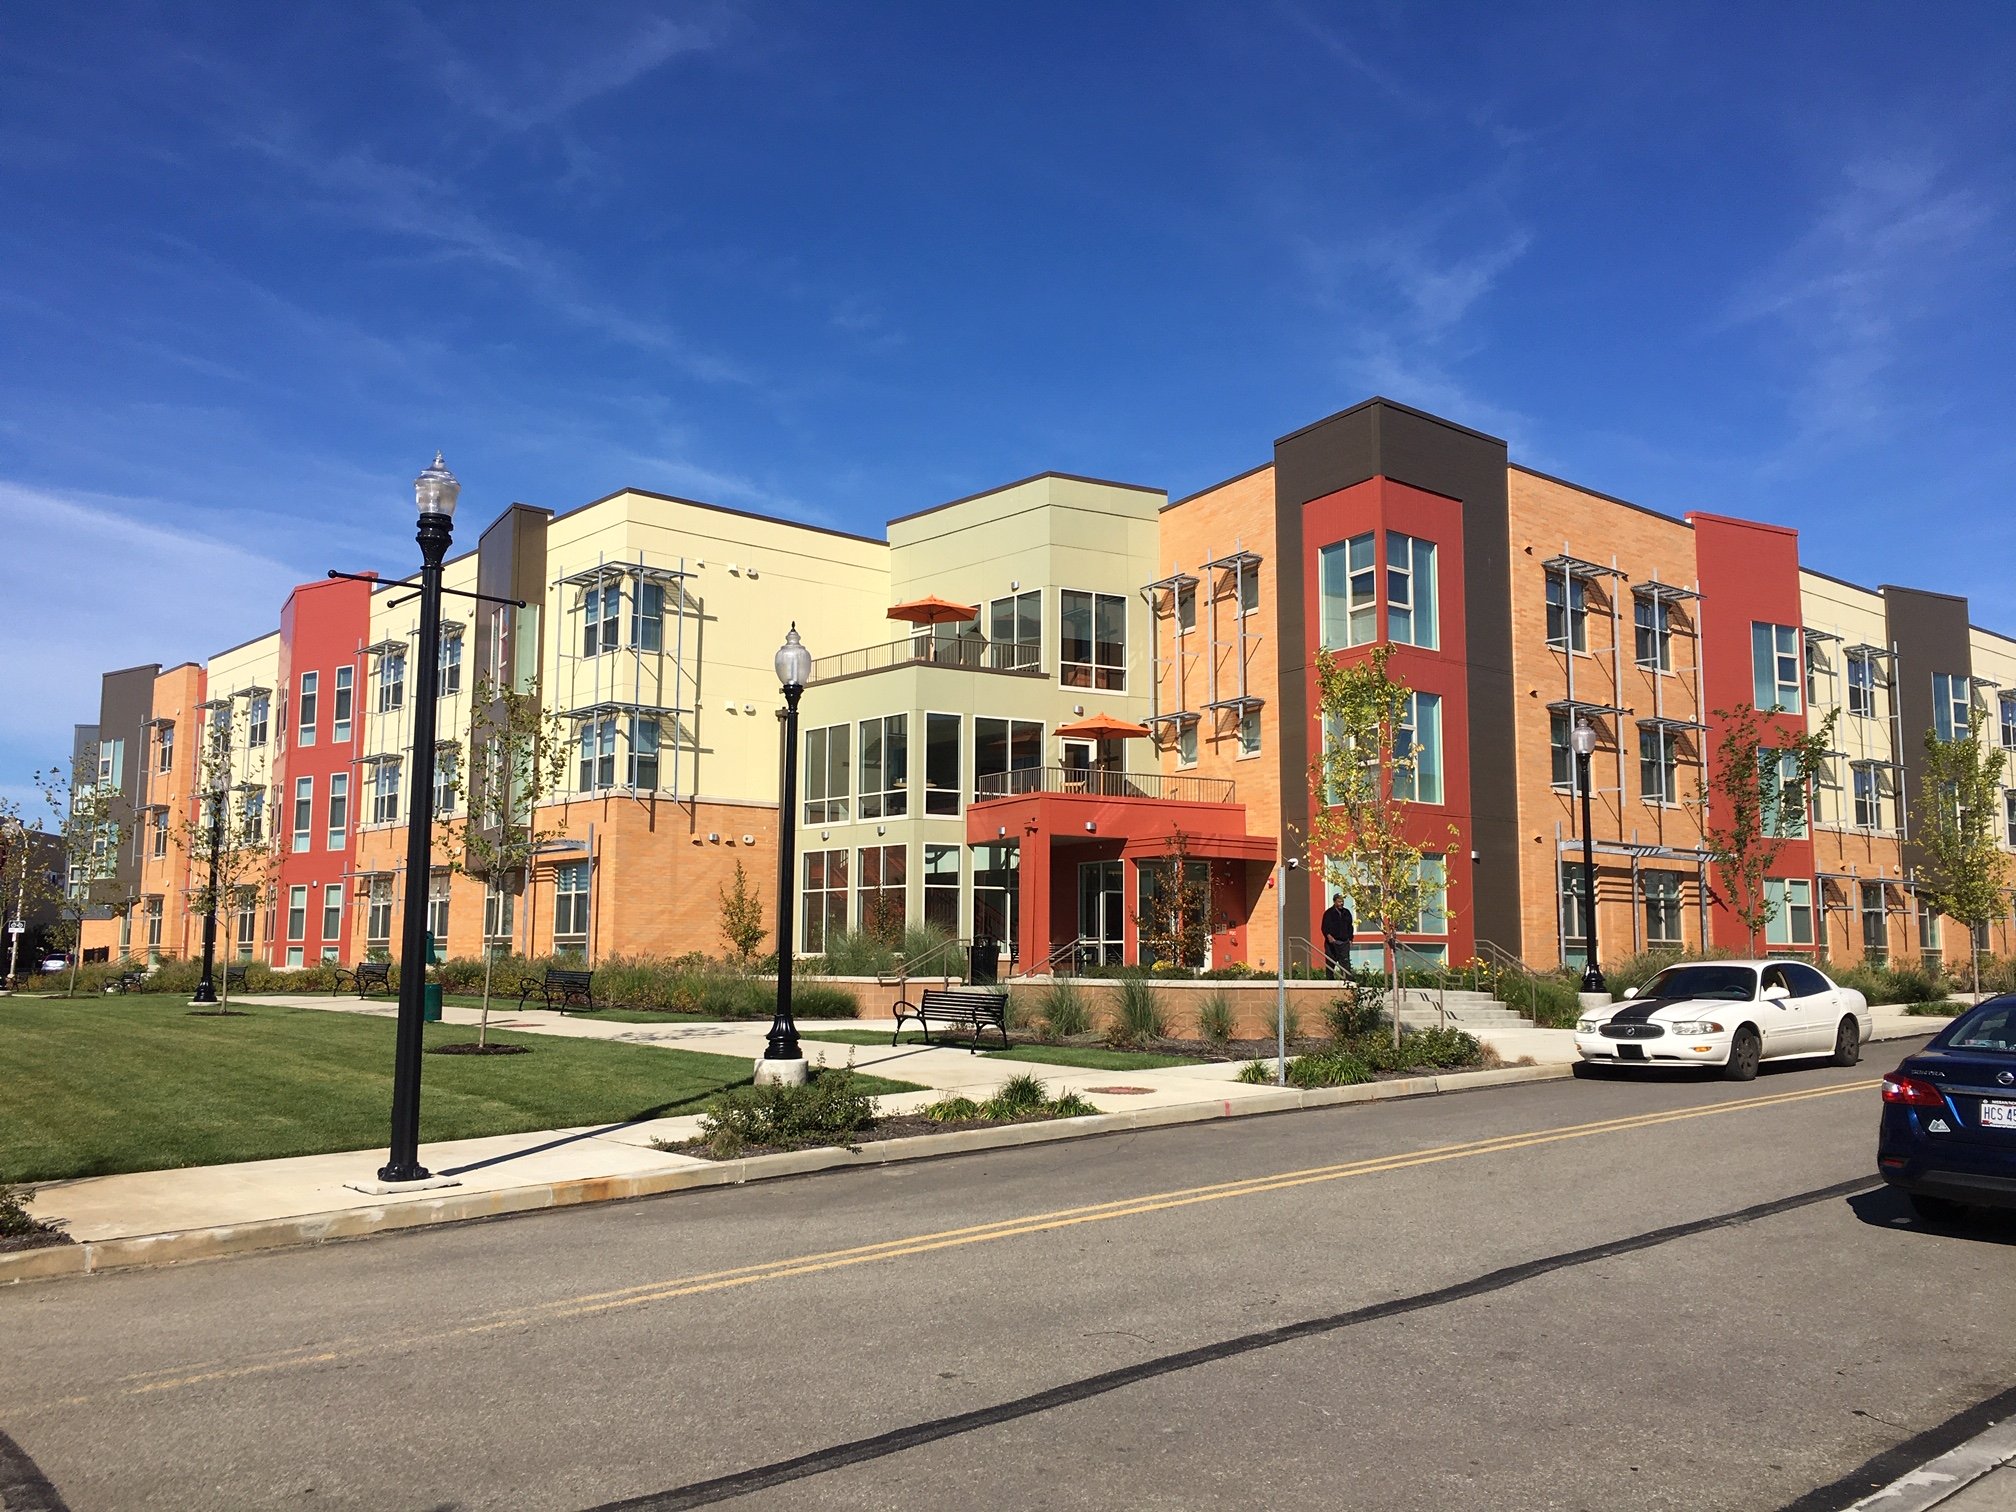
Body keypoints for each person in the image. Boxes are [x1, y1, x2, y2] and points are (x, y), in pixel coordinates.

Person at [1321, 893, 1355, 978]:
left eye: (1342, 902)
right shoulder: (1328, 913)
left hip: (1344, 943)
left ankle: (1348, 980)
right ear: (1334, 902)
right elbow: (1324, 927)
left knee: (1345, 963)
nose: (1341, 903)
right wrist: (1329, 936)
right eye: (1339, 902)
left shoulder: (1346, 912)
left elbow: (1350, 926)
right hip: (1332, 943)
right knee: (1330, 963)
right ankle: (1330, 981)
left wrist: (1350, 939)